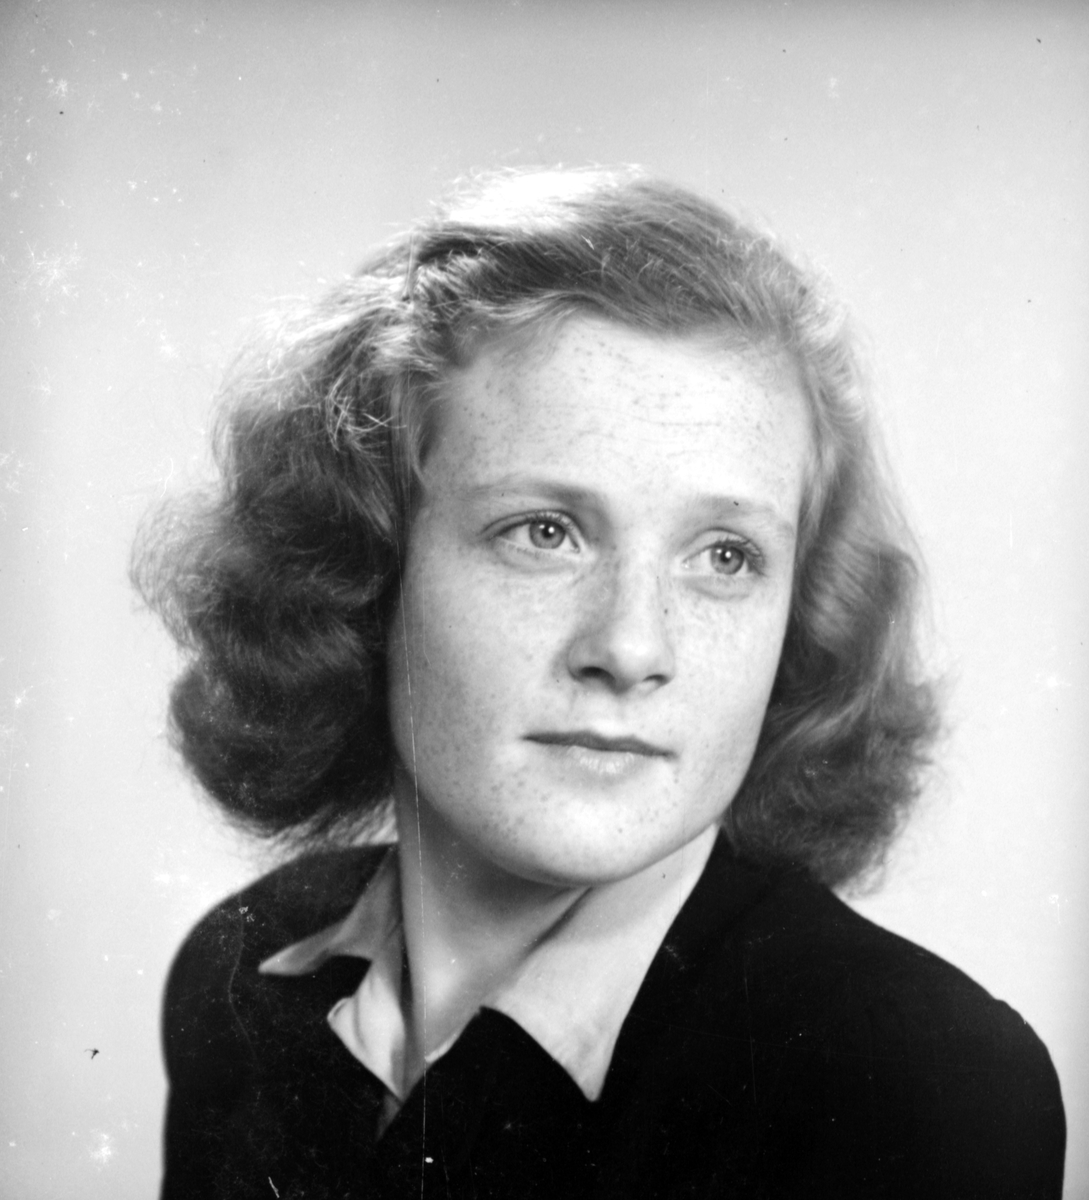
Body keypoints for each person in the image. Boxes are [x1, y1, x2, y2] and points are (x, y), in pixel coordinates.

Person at [137, 168, 1065, 1199]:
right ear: (366, 568)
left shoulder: (914, 1085)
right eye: (544, 532)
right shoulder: (249, 971)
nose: (630, 648)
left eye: (724, 557)